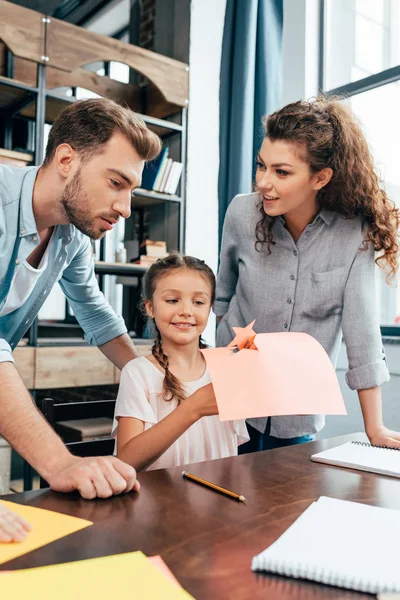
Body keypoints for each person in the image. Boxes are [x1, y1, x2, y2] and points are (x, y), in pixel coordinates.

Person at [0, 97, 162, 539]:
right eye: (116, 182)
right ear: (67, 159)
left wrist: (151, 378)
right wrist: (62, 462)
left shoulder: (70, 238)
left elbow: (94, 311)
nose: (127, 207)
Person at [215, 96, 400, 453]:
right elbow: (223, 297)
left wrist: (374, 427)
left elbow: (361, 329)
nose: (264, 183)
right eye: (261, 166)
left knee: (286, 502)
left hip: (297, 409)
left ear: (321, 177)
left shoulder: (352, 234)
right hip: (231, 399)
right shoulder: (241, 212)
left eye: (281, 172)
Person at [113, 253, 248, 471]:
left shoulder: (225, 368)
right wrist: (193, 408)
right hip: (158, 501)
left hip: (219, 499)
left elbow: (231, 455)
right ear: (150, 307)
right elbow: (126, 461)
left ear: (210, 307)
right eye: (172, 300)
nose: (186, 311)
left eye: (198, 302)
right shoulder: (138, 373)